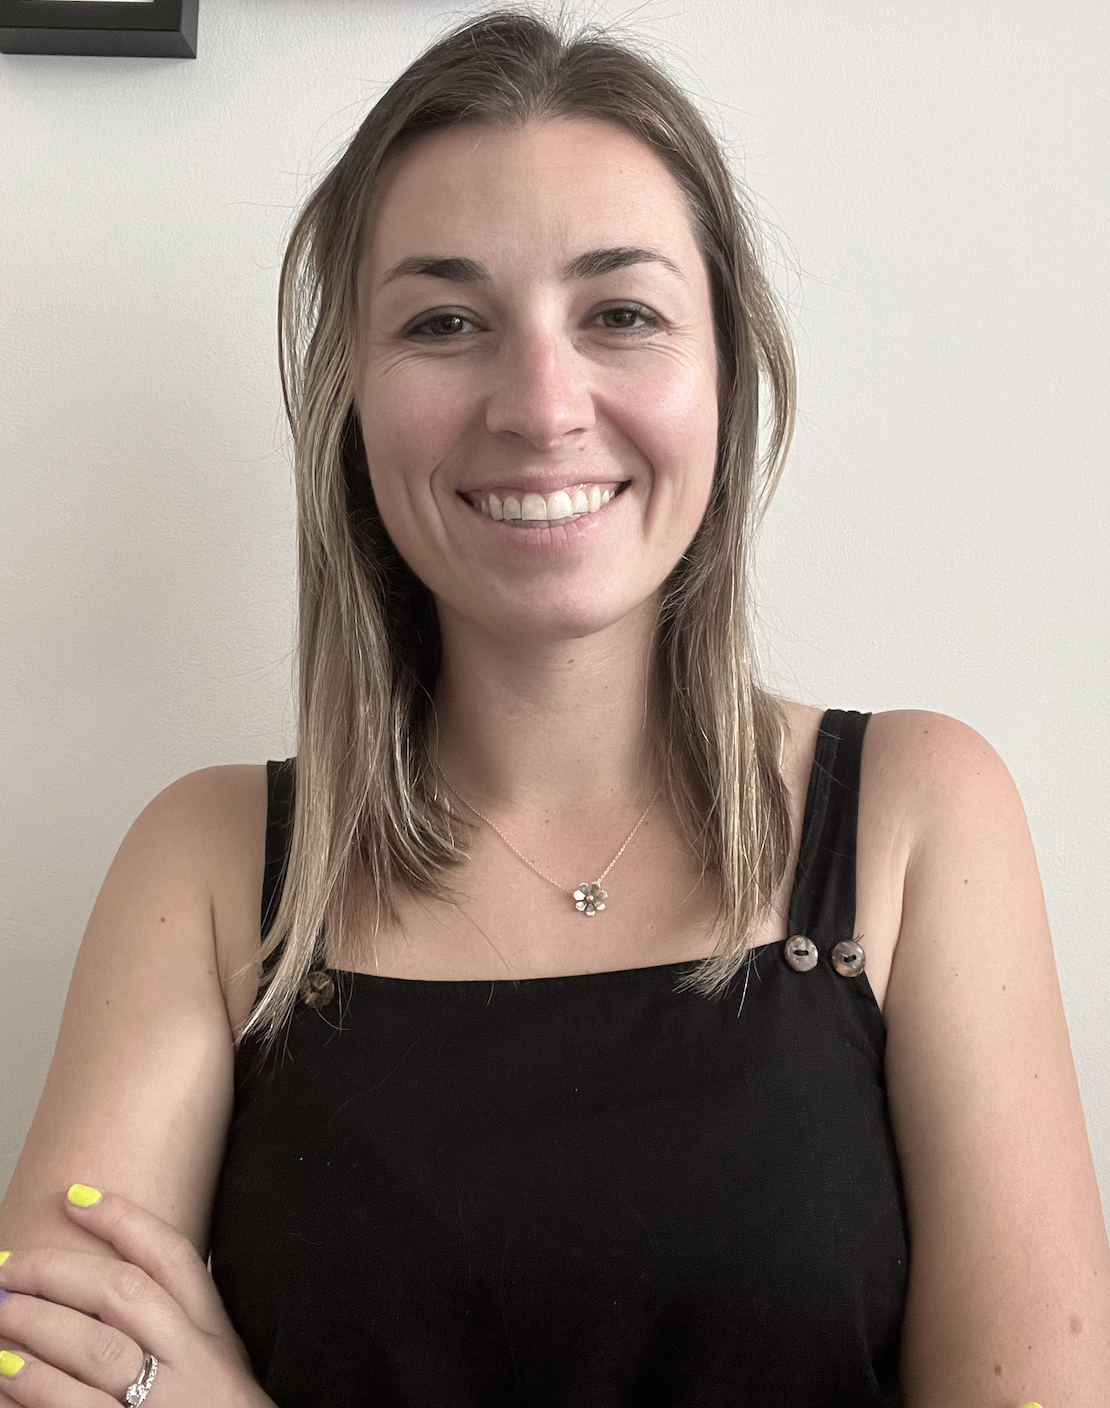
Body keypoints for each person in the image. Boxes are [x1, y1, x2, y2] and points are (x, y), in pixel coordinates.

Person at [0, 10, 1107, 1407]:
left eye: (620, 313)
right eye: (445, 321)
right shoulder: (213, 862)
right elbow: (38, 1363)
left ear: (727, 378)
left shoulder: (915, 817)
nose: (538, 401)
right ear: (351, 398)